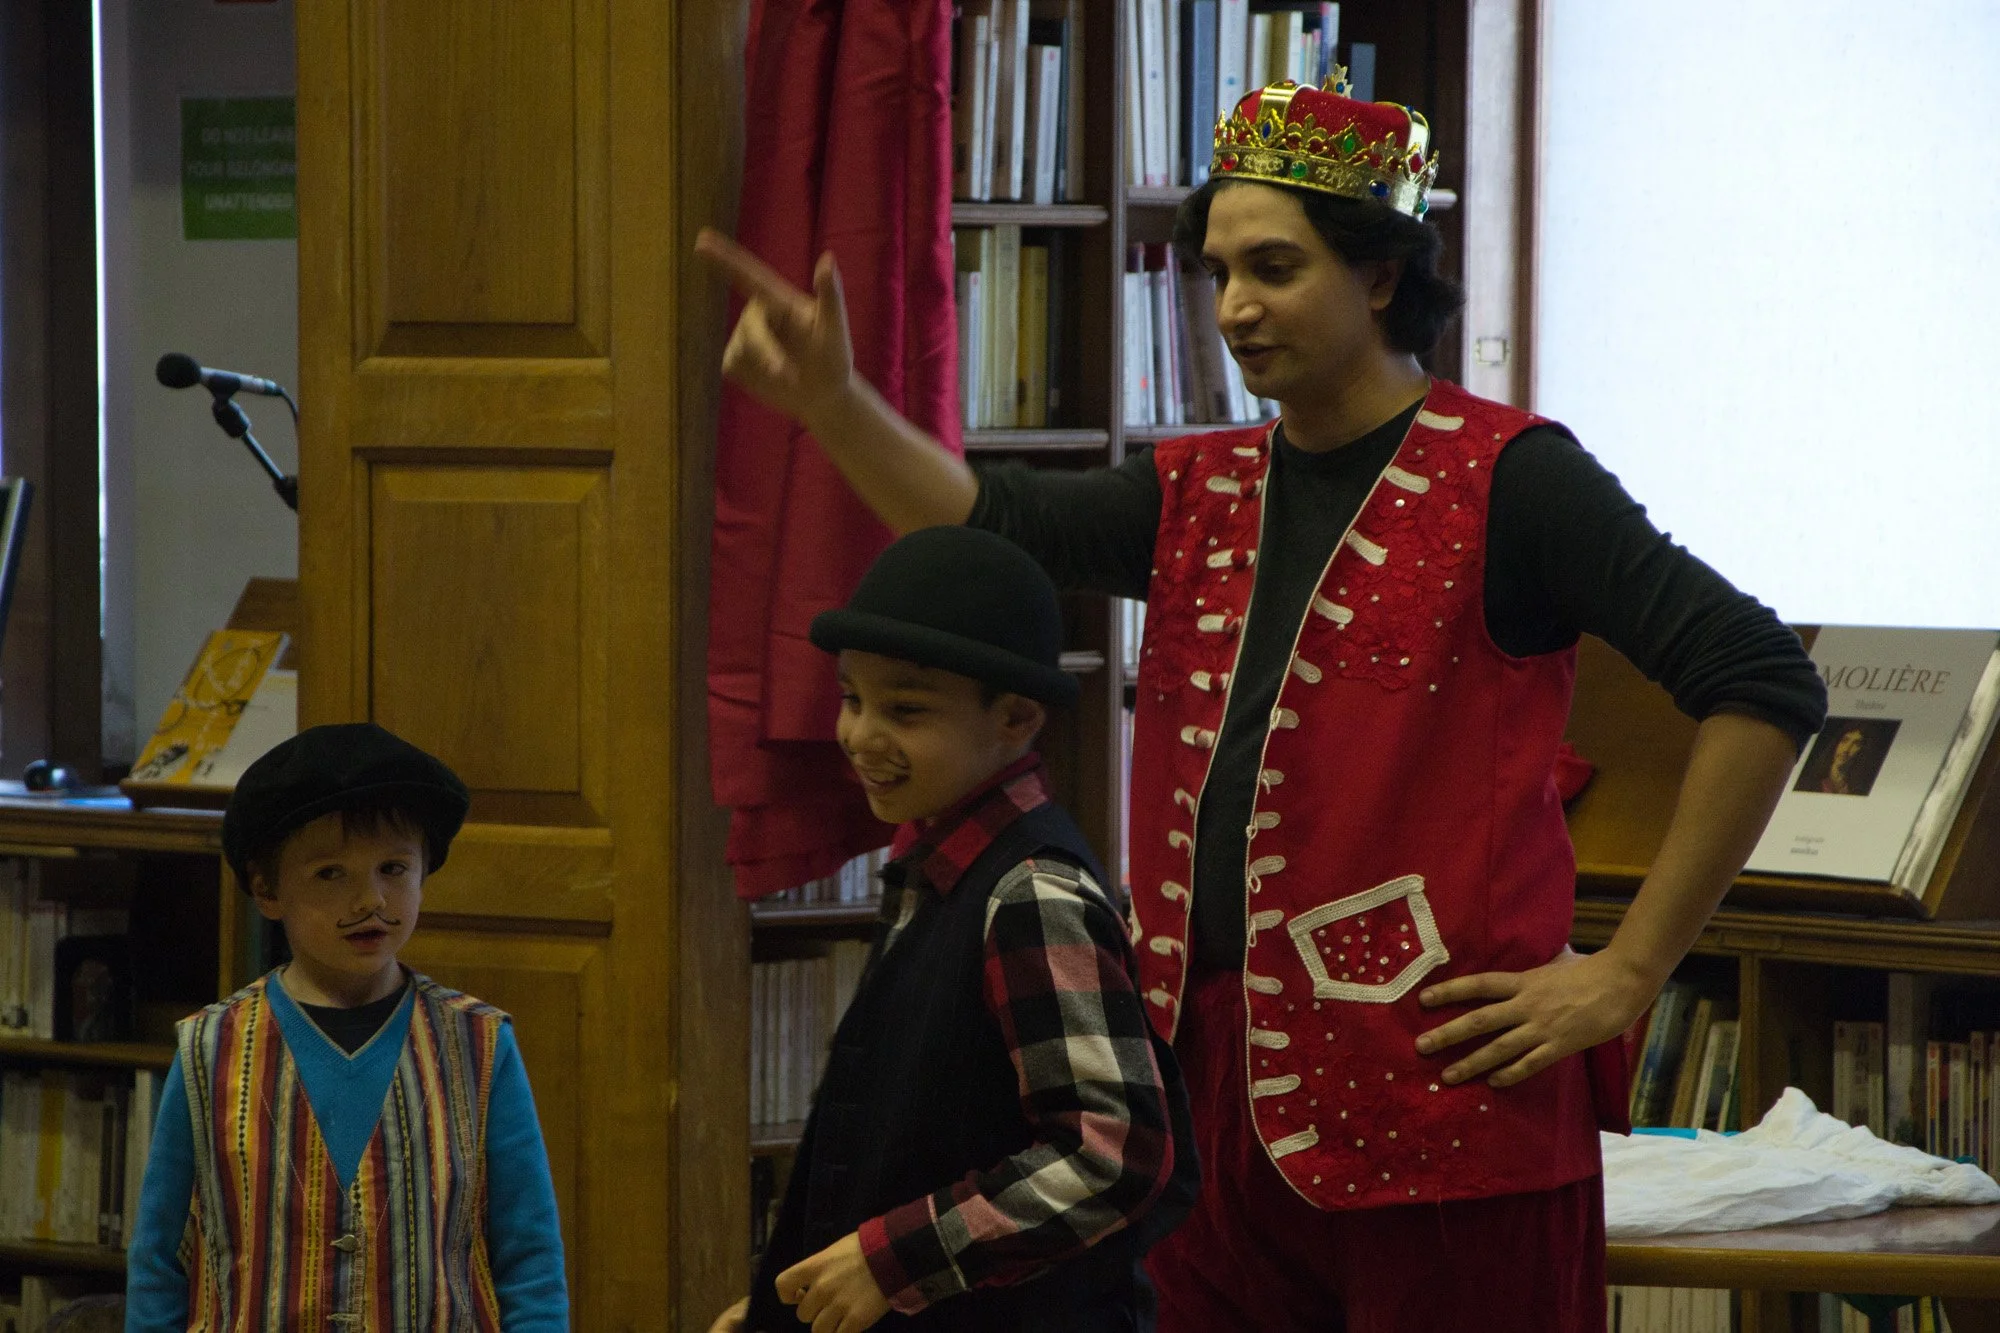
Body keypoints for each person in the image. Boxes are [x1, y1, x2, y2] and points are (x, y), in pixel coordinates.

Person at [696, 75, 1825, 1332]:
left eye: (1274, 267)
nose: (1233, 307)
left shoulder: (1513, 478)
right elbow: (985, 521)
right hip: (1207, 1110)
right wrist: (831, 404)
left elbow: (1760, 679)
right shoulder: (1197, 485)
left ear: (1381, 274)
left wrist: (1625, 973)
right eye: (1217, 271)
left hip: (1448, 1116)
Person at [710, 525, 1198, 1333]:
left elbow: (1115, 1155)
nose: (862, 736)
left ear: (1015, 716)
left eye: (904, 709)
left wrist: (894, 1259)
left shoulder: (1034, 892)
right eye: (851, 698)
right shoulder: (937, 866)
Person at [125, 723, 569, 1332]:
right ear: (266, 888)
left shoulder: (479, 1045)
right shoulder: (210, 1048)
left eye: (393, 868)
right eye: (331, 874)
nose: (370, 901)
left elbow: (529, 1258)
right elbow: (158, 1260)